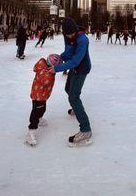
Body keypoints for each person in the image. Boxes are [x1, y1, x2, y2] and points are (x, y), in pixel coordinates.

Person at [49, 17, 92, 147]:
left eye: (70, 34)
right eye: (66, 34)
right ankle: (76, 109)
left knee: (73, 97)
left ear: (74, 31)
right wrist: (61, 57)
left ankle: (86, 129)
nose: (68, 36)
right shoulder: (69, 36)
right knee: (68, 90)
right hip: (74, 69)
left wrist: (56, 68)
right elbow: (69, 51)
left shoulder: (83, 40)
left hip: (82, 69)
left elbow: (76, 60)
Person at [25, 54, 62, 146]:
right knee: (36, 112)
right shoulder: (44, 72)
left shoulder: (44, 66)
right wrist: (52, 72)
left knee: (42, 109)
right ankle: (31, 131)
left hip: (42, 94)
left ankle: (39, 118)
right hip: (38, 95)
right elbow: (45, 82)